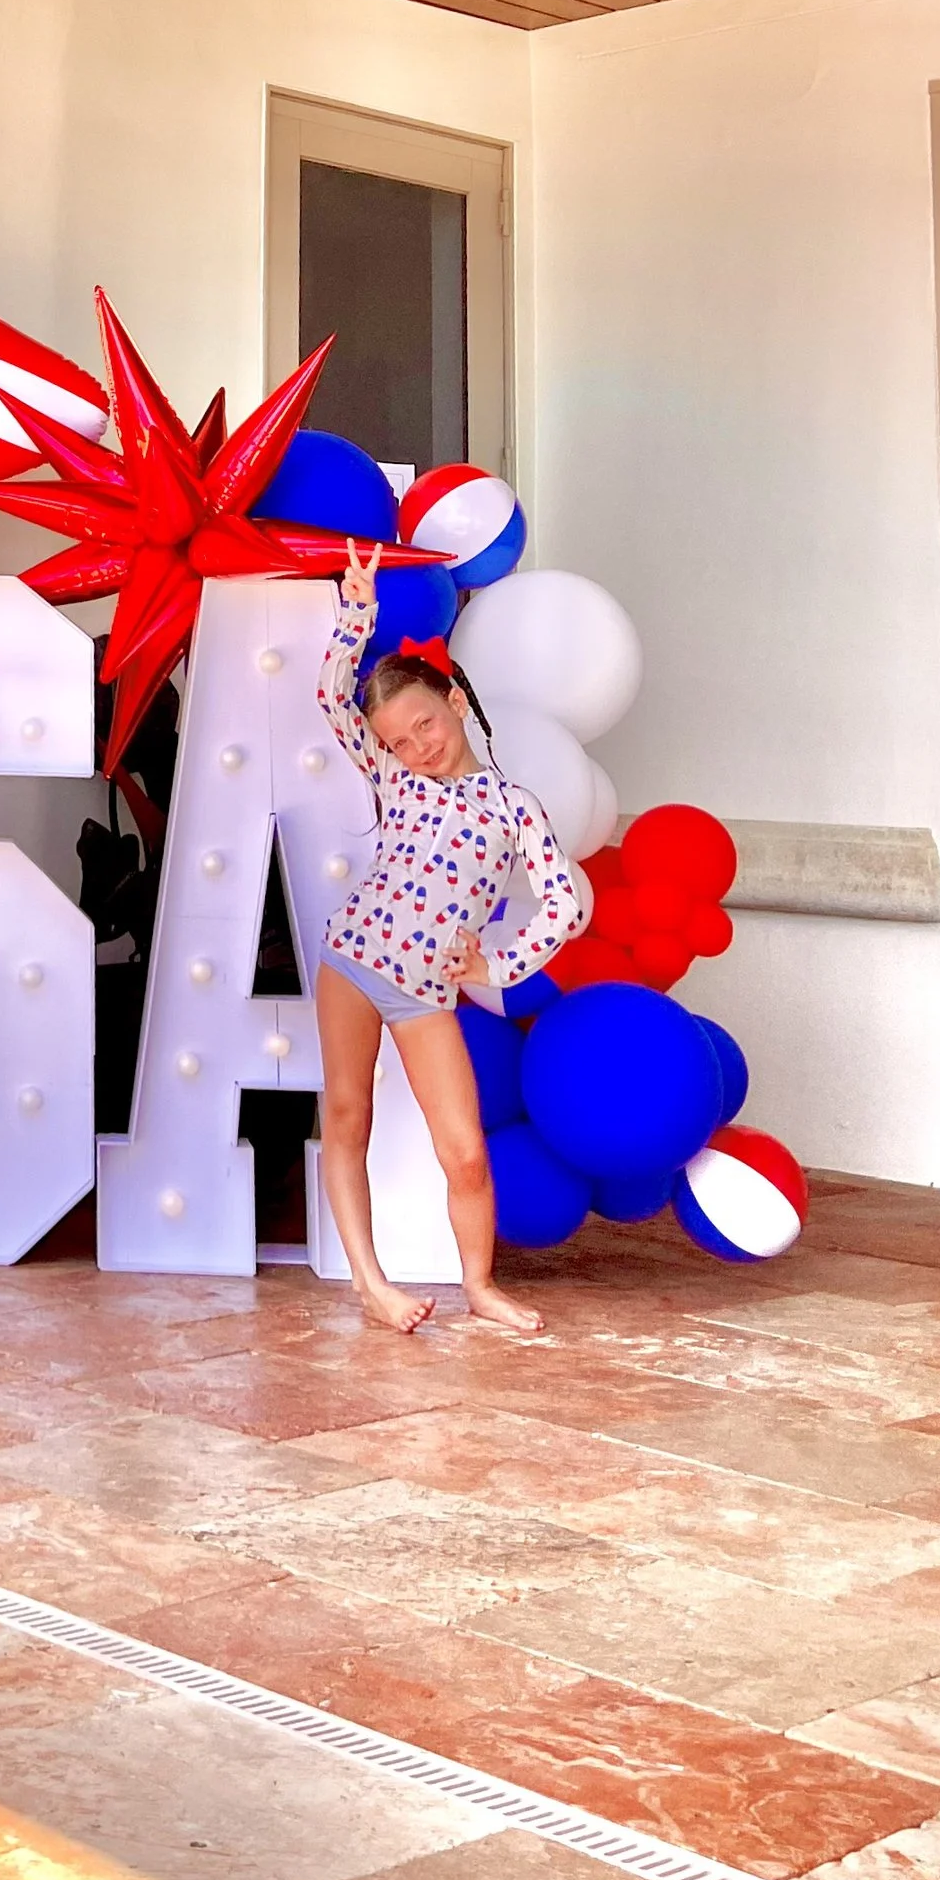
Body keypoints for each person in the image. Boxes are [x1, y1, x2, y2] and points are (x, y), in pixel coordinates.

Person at [314, 539, 583, 1336]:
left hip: (427, 989)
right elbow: (333, 700)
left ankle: (481, 1286)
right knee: (345, 1115)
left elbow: (564, 902)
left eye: (424, 725)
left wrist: (499, 962)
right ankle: (371, 1282)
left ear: (455, 703)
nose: (417, 747)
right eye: (399, 740)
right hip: (352, 961)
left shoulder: (512, 806)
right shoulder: (395, 778)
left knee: (464, 1150)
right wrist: (357, 611)